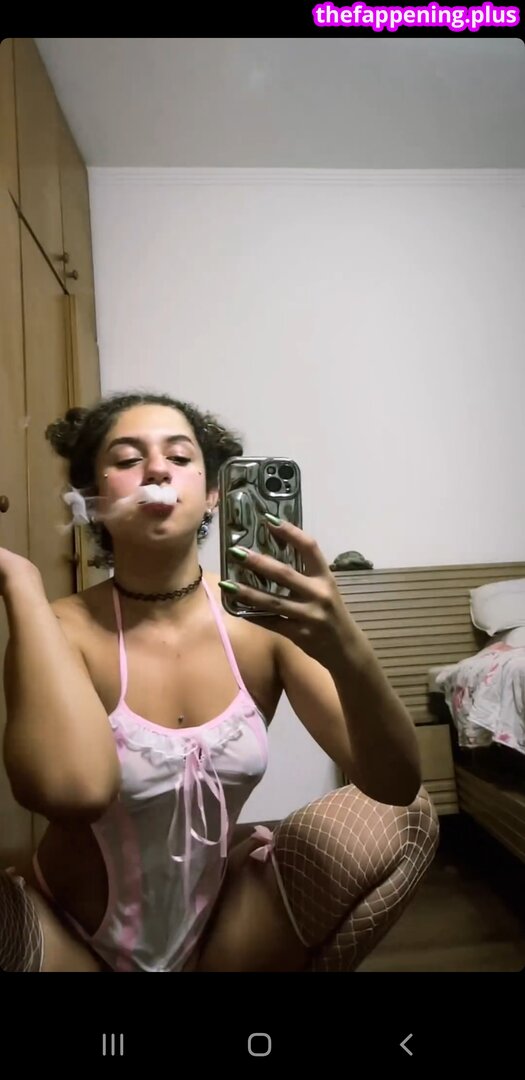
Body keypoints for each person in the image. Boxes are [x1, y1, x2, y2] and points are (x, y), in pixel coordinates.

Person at [0, 392, 438, 973]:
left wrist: (345, 645)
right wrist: (19, 581)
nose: (157, 470)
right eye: (128, 459)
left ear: (213, 493)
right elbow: (72, 792)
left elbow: (394, 783)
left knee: (409, 815)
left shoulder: (266, 620)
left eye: (180, 457)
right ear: (92, 500)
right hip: (71, 940)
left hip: (218, 934)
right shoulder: (58, 627)